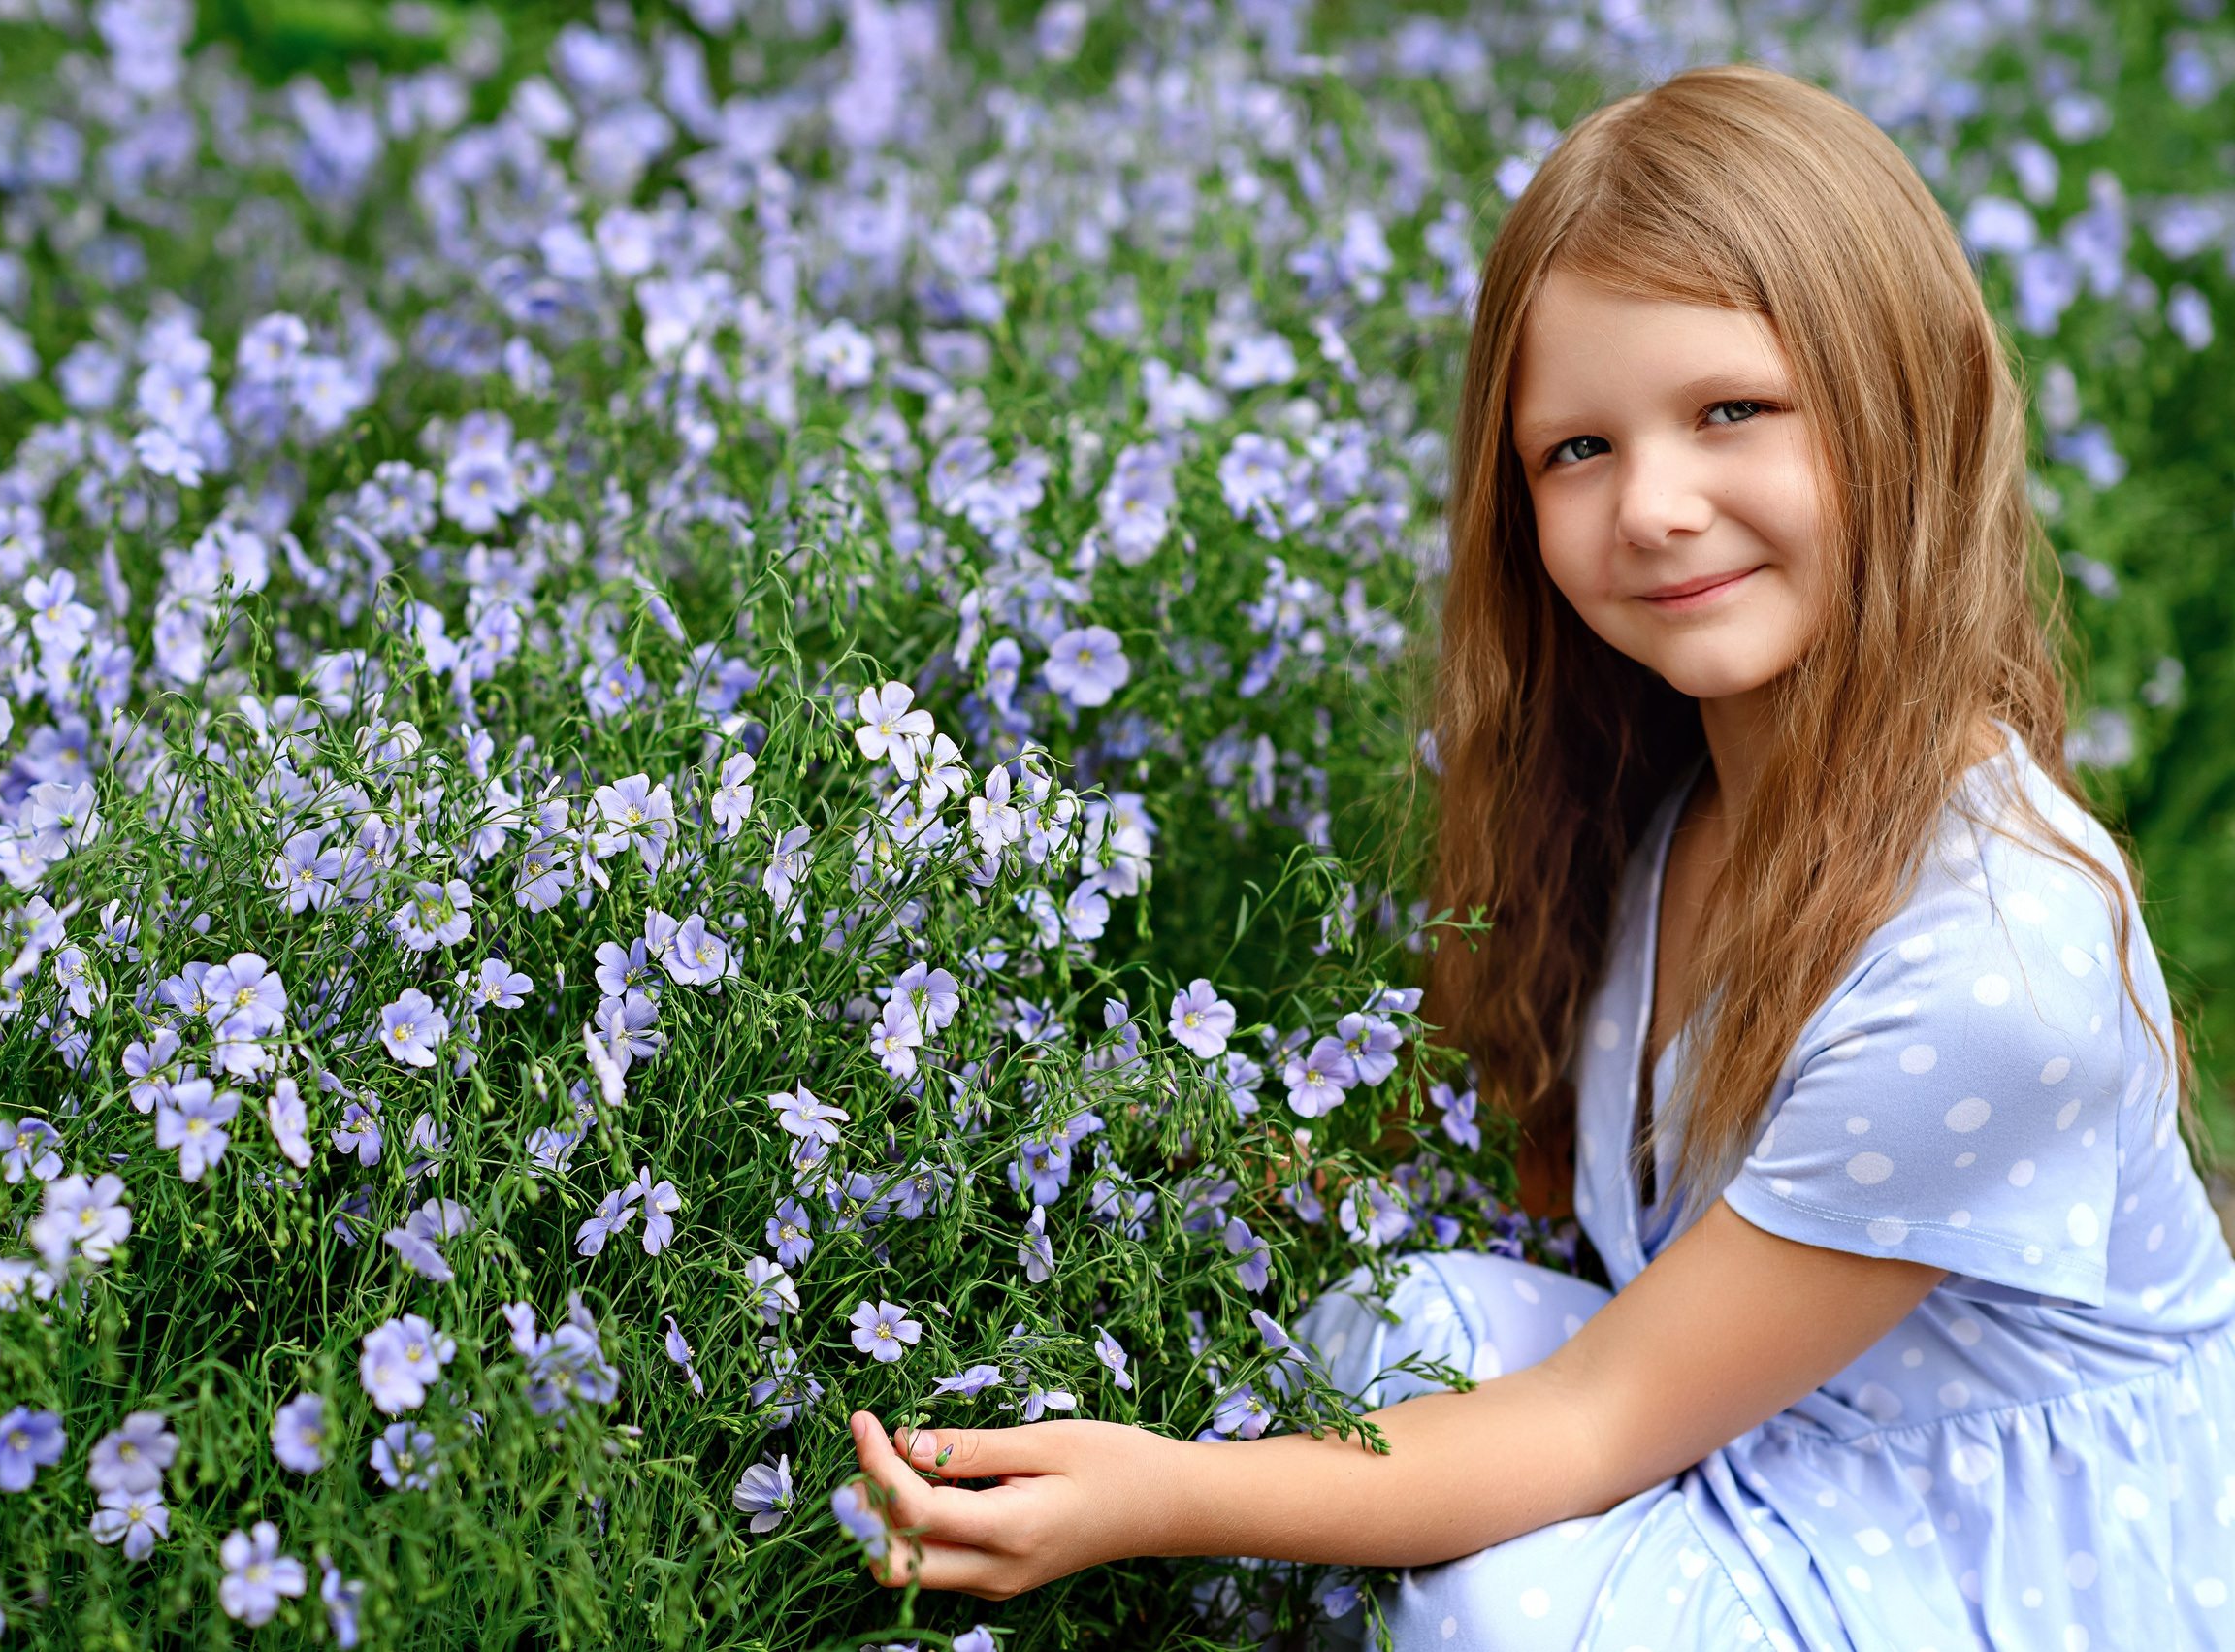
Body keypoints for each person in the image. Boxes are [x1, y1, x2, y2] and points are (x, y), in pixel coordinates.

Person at [843, 62, 2235, 1649]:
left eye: (1732, 412)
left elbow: (1592, 1419)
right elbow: (1556, 1218)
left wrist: (1159, 1493)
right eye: (1577, 448)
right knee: (1406, 1327)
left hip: (1986, 1548)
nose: (1652, 506)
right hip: (1780, 1421)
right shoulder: (1674, 794)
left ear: (1906, 410)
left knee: (1497, 1611)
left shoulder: (1996, 963)